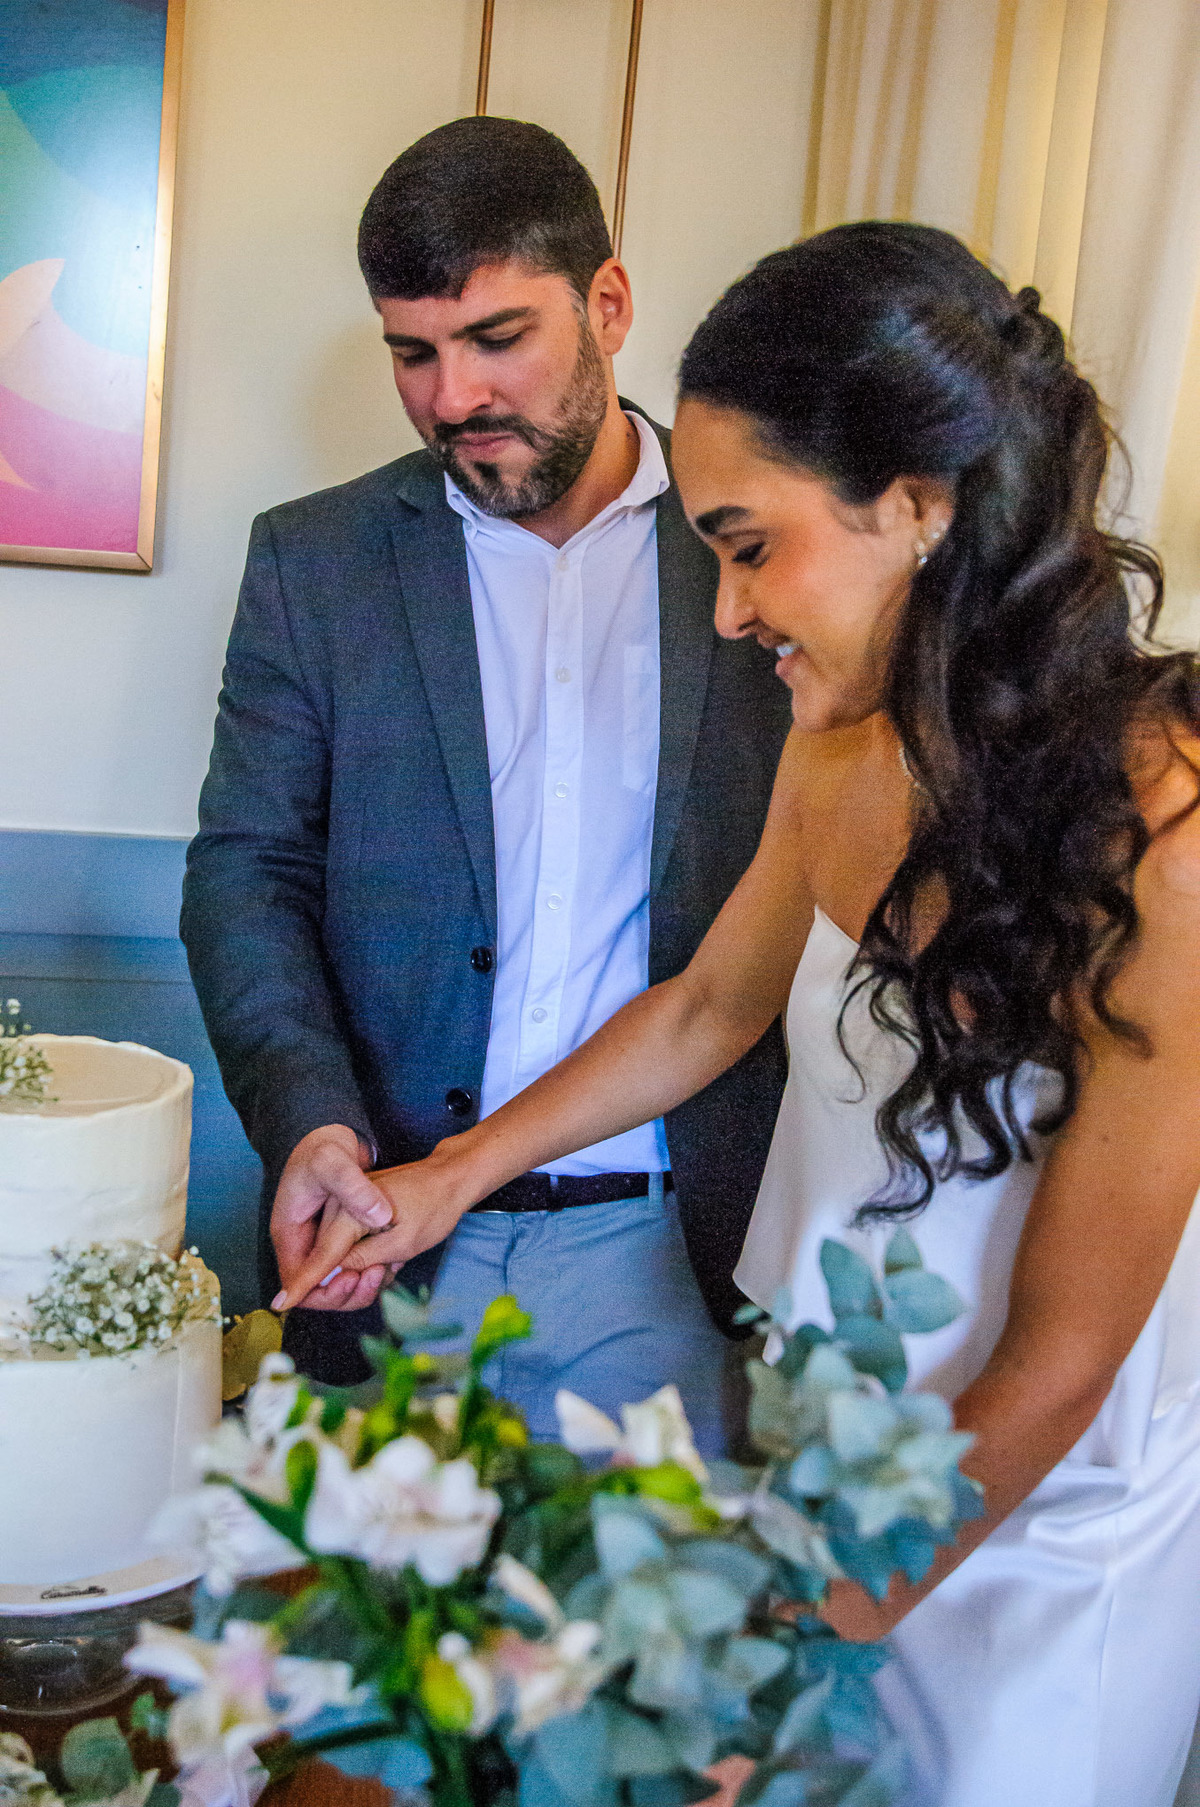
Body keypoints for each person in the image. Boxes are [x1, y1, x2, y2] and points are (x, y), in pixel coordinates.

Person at [278, 223, 1200, 1806]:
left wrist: (775, 1651)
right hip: (820, 1469)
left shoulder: (1167, 838)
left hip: (1037, 1551)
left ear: (918, 504)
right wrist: (445, 1179)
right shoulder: (838, 745)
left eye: (750, 546)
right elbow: (709, 1008)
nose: (724, 613)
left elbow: (1057, 1364)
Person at [181, 117, 792, 1449]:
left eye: (497, 337)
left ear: (608, 304)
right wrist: (309, 1126)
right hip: (383, 1240)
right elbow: (246, 877)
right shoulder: (315, 564)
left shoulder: (759, 556)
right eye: (413, 352)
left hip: (677, 1250)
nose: (452, 397)